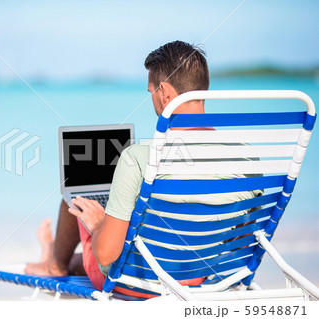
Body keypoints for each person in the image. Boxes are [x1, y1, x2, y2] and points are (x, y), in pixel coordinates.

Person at [24, 41, 261, 297]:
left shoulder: (138, 158)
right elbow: (243, 235)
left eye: (150, 91)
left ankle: (54, 263)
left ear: (164, 92)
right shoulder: (245, 156)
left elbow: (105, 254)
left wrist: (99, 224)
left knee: (77, 201)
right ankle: (55, 257)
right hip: (199, 278)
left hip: (134, 284)